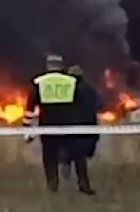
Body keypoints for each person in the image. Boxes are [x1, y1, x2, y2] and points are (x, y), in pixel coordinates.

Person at [22, 55, 98, 195]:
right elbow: (81, 104)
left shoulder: (39, 82)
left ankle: (52, 184)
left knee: (49, 155)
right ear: (61, 65)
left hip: (48, 126)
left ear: (48, 66)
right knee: (78, 155)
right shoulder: (72, 81)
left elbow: (29, 109)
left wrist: (27, 130)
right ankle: (83, 183)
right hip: (71, 126)